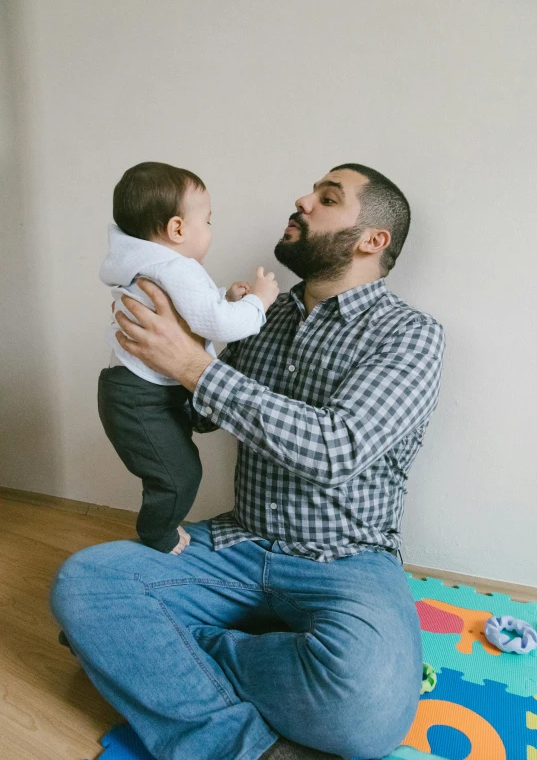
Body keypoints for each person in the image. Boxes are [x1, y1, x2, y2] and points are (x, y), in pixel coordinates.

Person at [51, 163, 445, 760]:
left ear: (373, 240)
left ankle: (176, 651)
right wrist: (163, 356)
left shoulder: (411, 335)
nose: (302, 200)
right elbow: (207, 415)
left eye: (327, 198)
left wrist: (193, 365)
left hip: (345, 560)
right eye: (312, 190)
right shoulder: (263, 315)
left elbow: (335, 449)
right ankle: (243, 746)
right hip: (237, 543)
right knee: (85, 586)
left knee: (363, 707)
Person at [98, 162, 279, 553]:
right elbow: (219, 326)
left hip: (137, 390)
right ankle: (157, 535)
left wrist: (223, 298)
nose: (211, 231)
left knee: (178, 462)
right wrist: (257, 301)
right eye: (208, 221)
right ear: (178, 229)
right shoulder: (178, 266)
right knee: (179, 475)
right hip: (139, 396)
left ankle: (160, 525)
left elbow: (192, 309)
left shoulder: (151, 265)